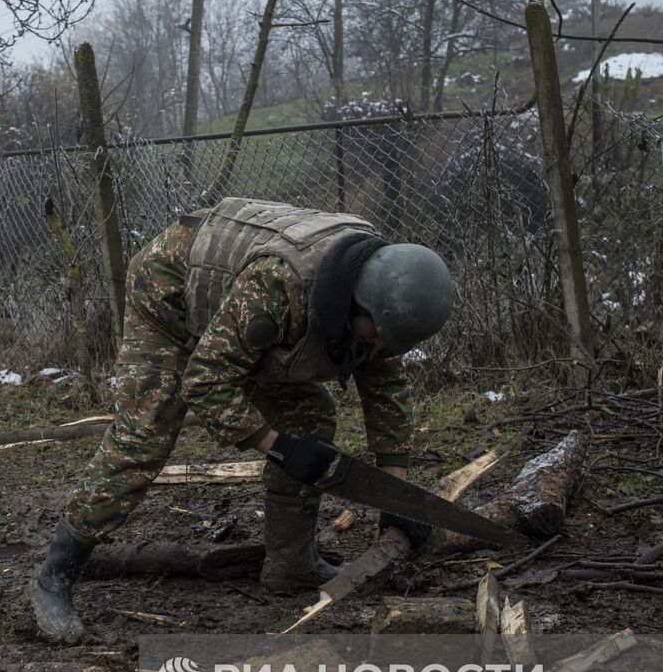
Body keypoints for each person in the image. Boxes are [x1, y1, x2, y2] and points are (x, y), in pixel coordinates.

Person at [29, 197, 455, 643]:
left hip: (241, 316)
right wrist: (279, 447)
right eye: (377, 336)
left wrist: (398, 495)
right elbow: (206, 381)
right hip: (169, 295)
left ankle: (291, 563)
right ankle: (53, 578)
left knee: (309, 415)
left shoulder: (383, 296)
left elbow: (386, 390)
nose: (381, 348)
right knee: (145, 435)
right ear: (359, 304)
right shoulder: (280, 284)